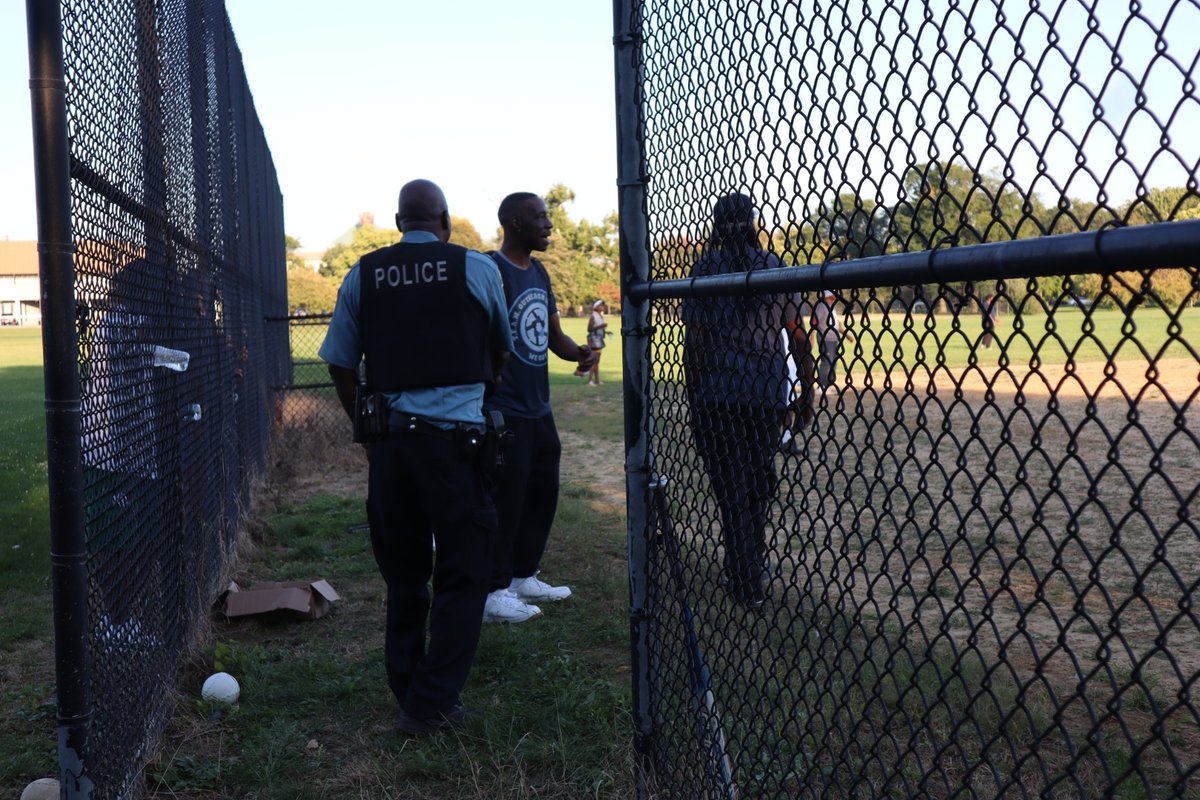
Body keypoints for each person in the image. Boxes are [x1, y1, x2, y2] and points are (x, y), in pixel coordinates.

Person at [319, 179, 512, 735]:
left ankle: (409, 688)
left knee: (404, 575)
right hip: (456, 447)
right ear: (444, 219)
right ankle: (431, 704)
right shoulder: (476, 268)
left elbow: (339, 360)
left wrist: (365, 422)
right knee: (465, 570)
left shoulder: (364, 273)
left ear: (400, 221)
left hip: (393, 448)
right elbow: (501, 348)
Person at [682, 192, 814, 610]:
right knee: (756, 484)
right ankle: (750, 565)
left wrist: (693, 395)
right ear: (753, 221)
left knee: (731, 490)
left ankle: (743, 574)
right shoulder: (773, 266)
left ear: (716, 226)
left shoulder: (706, 268)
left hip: (718, 393)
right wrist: (806, 391)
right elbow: (797, 337)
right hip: (764, 392)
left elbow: (696, 344)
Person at [481, 191, 597, 624]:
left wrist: (579, 353)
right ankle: (493, 590)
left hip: (538, 407)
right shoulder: (491, 268)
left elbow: (552, 335)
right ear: (514, 222)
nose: (549, 225)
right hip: (503, 408)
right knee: (507, 497)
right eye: (540, 217)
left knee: (542, 490)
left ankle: (522, 576)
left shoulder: (541, 272)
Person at [811, 289, 842, 390]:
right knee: (826, 362)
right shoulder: (821, 305)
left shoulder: (831, 306)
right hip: (825, 338)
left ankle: (829, 384)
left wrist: (847, 335)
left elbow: (837, 324)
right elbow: (814, 322)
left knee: (833, 362)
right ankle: (821, 385)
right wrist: (812, 338)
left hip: (833, 338)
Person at [584, 299, 609, 385]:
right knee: (594, 360)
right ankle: (590, 380)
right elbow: (589, 329)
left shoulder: (600, 315)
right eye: (601, 306)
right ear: (596, 307)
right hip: (594, 340)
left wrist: (606, 332)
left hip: (599, 339)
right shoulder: (593, 316)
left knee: (597, 361)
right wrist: (600, 326)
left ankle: (597, 380)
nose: (602, 307)